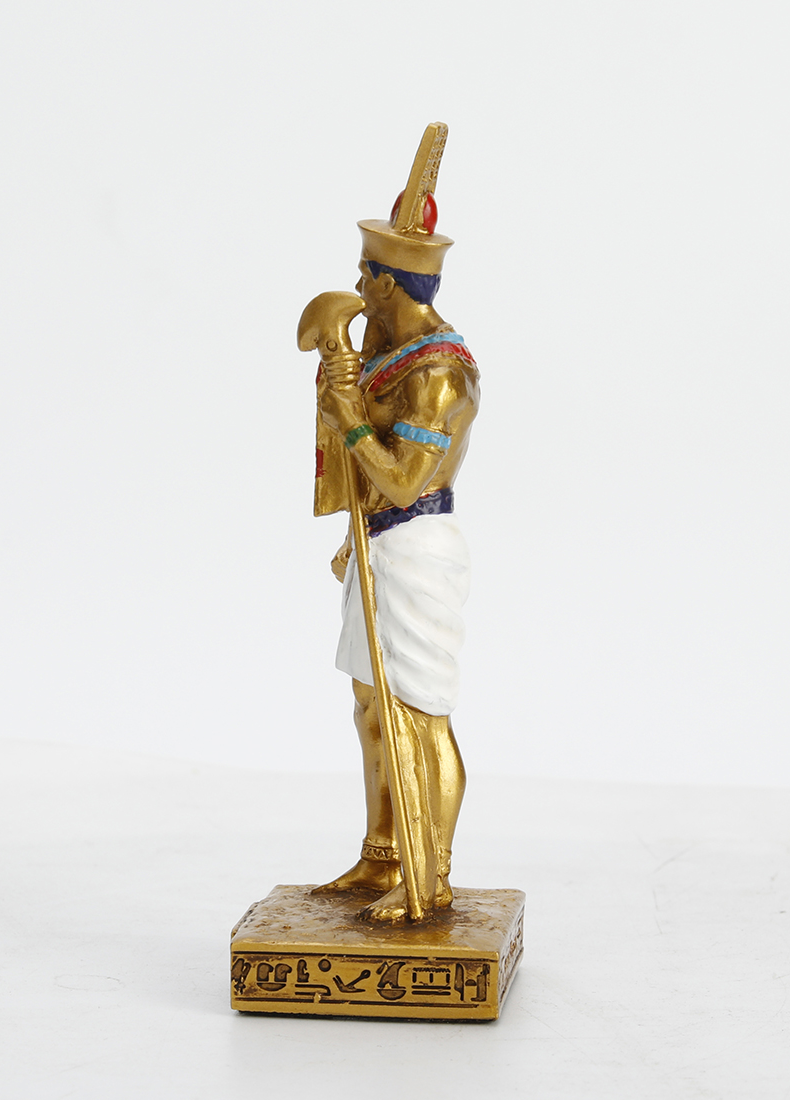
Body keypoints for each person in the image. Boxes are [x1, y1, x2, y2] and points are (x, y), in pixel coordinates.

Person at [310, 124, 480, 922]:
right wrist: (353, 536)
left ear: (387, 284)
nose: (357, 285)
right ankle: (383, 855)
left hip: (417, 544)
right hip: (380, 542)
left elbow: (406, 477)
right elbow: (366, 476)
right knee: (371, 705)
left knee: (418, 713)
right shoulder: (389, 358)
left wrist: (349, 420)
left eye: (365, 275)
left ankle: (429, 875)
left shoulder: (440, 374)